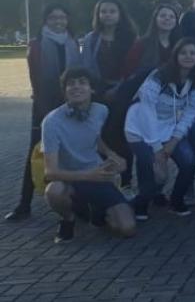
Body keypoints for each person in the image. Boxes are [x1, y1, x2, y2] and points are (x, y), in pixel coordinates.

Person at [41, 68, 136, 242]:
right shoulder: (51, 122)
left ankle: (93, 211)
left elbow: (96, 137)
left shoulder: (101, 111)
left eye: (82, 82)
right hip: (70, 179)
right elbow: (50, 172)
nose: (76, 87)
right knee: (54, 191)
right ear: (65, 91)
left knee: (127, 228)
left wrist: (111, 155)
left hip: (97, 177)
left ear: (92, 89)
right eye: (71, 84)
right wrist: (89, 175)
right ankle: (68, 219)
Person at [6, 4, 81, 222]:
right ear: (45, 21)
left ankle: (76, 201)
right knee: (35, 153)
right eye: (53, 18)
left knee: (73, 153)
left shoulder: (73, 43)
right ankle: (24, 203)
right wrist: (46, 111)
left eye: (62, 17)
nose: (58, 21)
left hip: (72, 105)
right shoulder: (36, 45)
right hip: (43, 107)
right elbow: (36, 82)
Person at [125, 37, 195, 219]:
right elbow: (147, 111)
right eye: (183, 53)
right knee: (150, 167)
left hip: (168, 128)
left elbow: (190, 113)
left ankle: (176, 200)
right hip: (140, 128)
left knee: (189, 161)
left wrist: (174, 140)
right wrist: (157, 149)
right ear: (175, 56)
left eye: (193, 53)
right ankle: (141, 203)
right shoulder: (159, 77)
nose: (188, 57)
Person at [81, 0, 137, 98]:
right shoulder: (90, 39)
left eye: (112, 12)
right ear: (98, 15)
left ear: (120, 14)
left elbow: (136, 67)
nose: (108, 15)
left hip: (126, 89)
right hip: (97, 91)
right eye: (103, 12)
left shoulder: (131, 38)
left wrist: (120, 87)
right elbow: (86, 66)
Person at [122, 3, 181, 79]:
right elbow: (128, 69)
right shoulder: (142, 44)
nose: (167, 18)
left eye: (171, 17)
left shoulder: (179, 45)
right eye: (163, 16)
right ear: (155, 19)